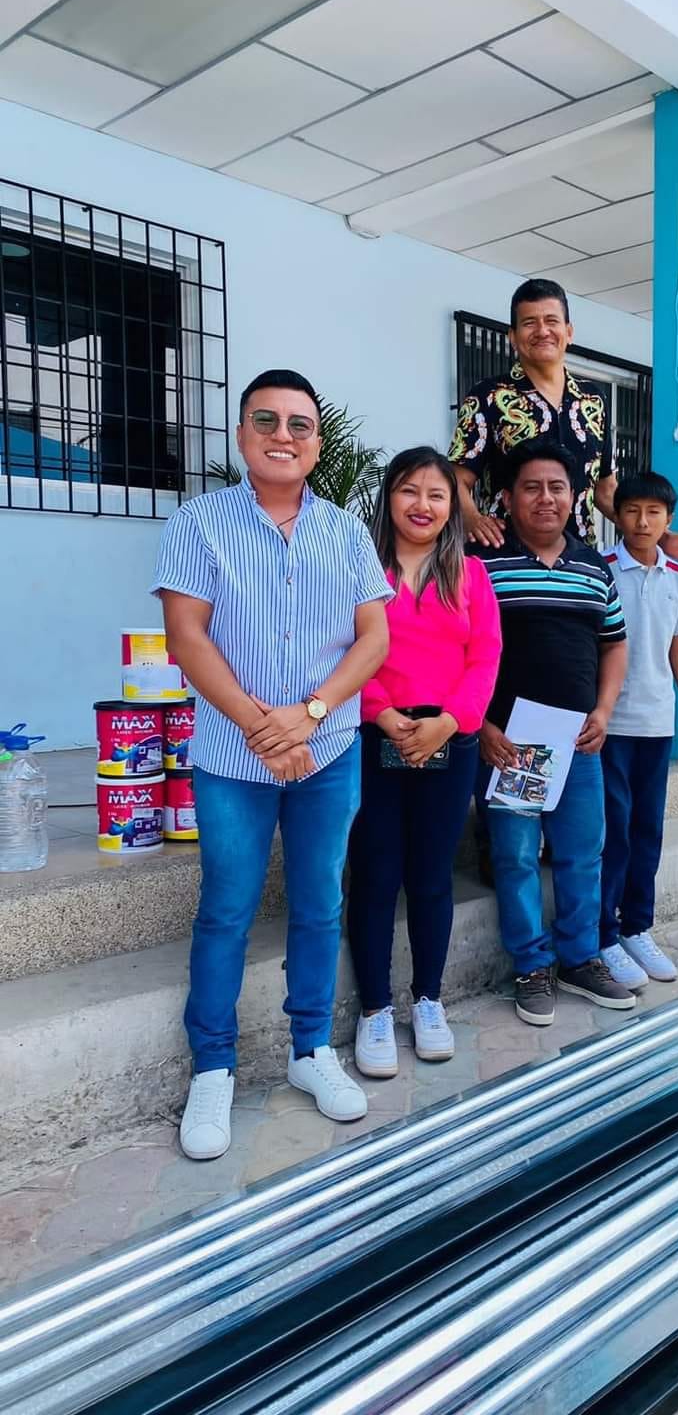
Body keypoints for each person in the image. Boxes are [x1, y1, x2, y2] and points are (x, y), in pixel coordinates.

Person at [153, 368, 392, 1161]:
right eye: (267, 421)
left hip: (328, 752)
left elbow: (374, 638)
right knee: (226, 907)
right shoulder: (198, 523)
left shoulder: (348, 533)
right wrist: (265, 728)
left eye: (299, 424)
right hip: (233, 756)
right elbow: (187, 636)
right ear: (241, 435)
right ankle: (212, 1067)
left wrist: (309, 717)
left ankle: (310, 1050)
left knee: (320, 903)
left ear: (317, 444)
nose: (282, 436)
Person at [346, 448, 501, 1078]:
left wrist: (449, 723)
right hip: (375, 738)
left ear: (451, 507)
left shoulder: (470, 575)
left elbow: (485, 657)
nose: (423, 505)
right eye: (410, 491)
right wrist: (383, 713)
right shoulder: (360, 570)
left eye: (437, 495)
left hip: (449, 741)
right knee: (376, 874)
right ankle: (375, 1009)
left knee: (433, 876)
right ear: (389, 497)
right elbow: (343, 650)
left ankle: (428, 1000)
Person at [475, 436, 636, 1027]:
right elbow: (462, 650)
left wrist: (604, 710)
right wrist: (482, 724)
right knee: (517, 857)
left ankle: (580, 958)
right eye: (532, 488)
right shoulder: (481, 562)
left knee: (581, 853)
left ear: (575, 497)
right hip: (509, 744)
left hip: (577, 743)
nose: (546, 498)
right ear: (508, 497)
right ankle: (531, 966)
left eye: (557, 488)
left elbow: (614, 644)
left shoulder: (594, 569)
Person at [449, 277, 678, 571]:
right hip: (506, 559)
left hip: (578, 563)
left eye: (551, 321)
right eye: (529, 323)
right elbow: (456, 479)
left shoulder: (593, 400)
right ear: (512, 336)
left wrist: (660, 537)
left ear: (569, 332)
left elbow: (606, 490)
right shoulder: (488, 396)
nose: (542, 331)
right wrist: (473, 520)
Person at [598, 472, 678, 991]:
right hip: (609, 726)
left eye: (654, 512)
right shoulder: (600, 570)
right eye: (632, 510)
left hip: (657, 723)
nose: (642, 522)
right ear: (617, 515)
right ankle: (604, 936)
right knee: (612, 832)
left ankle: (637, 927)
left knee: (647, 830)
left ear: (669, 520)